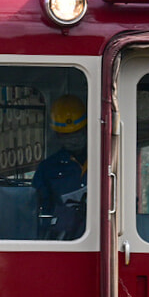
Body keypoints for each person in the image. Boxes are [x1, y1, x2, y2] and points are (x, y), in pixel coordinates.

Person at [32, 94, 87, 239]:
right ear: (57, 136)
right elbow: (35, 210)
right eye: (66, 135)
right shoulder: (47, 169)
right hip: (63, 241)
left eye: (77, 133)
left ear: (87, 129)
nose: (73, 139)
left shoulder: (105, 159)